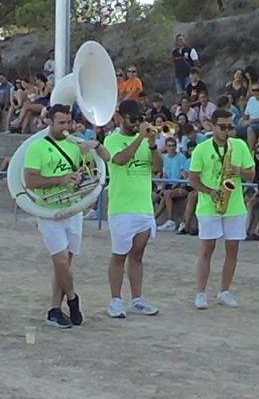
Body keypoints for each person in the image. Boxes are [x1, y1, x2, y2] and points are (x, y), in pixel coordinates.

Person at [22, 104, 100, 328]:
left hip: (73, 209)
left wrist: (92, 151)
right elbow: (31, 181)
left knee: (65, 264)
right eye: (61, 123)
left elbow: (93, 168)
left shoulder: (75, 146)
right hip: (49, 211)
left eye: (68, 123)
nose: (66, 127)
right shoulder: (37, 148)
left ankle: (55, 309)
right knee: (61, 261)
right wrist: (61, 180)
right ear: (50, 122)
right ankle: (73, 300)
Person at [189, 107, 256, 308]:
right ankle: (201, 293)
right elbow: (193, 180)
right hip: (210, 205)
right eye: (223, 127)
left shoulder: (239, 146)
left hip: (234, 205)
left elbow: (251, 175)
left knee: (233, 249)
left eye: (230, 127)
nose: (227, 131)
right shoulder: (201, 149)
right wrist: (211, 192)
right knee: (207, 249)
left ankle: (224, 291)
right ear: (212, 125)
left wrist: (238, 170)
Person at [103, 101, 163, 319]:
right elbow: (119, 159)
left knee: (137, 256)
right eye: (133, 119)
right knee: (119, 255)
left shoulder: (148, 142)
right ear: (121, 117)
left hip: (143, 207)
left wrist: (153, 144)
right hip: (121, 208)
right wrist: (140, 137)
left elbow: (158, 167)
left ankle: (137, 299)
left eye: (140, 119)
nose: (138, 123)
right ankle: (116, 300)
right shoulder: (112, 139)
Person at [158, 134, 194, 233]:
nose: (171, 147)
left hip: (181, 185)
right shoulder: (165, 158)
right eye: (169, 145)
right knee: (160, 197)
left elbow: (183, 176)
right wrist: (161, 188)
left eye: (173, 145)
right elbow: (165, 174)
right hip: (171, 184)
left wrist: (173, 186)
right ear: (166, 147)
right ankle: (153, 219)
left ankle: (170, 221)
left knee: (167, 194)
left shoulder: (182, 158)